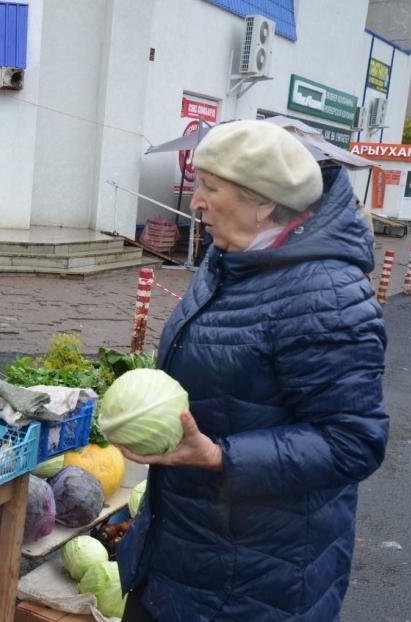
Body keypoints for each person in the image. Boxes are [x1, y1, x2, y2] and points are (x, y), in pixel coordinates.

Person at [116, 121, 388, 621]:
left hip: (254, 585)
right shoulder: (228, 260)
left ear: (263, 202)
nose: (195, 203)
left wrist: (222, 456)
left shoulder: (324, 295)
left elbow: (354, 442)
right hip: (181, 553)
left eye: (210, 188)